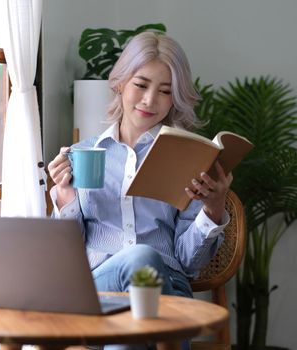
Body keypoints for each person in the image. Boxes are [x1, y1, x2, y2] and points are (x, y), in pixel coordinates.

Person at [47, 32, 232, 300]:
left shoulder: (187, 159)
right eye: (141, 85)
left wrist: (214, 208)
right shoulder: (82, 155)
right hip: (98, 285)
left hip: (167, 285)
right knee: (141, 258)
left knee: (131, 321)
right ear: (120, 84)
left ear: (175, 98)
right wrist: (65, 197)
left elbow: (190, 263)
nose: (149, 100)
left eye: (165, 91)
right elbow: (67, 254)